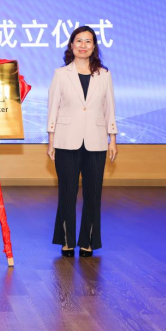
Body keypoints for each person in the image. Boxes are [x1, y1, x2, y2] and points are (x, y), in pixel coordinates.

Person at [47, 26, 118, 258]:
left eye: (88, 41)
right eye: (79, 41)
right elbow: (53, 108)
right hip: (66, 140)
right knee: (67, 193)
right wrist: (51, 140)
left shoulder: (104, 75)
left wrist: (112, 138)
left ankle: (88, 241)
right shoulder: (61, 74)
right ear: (71, 45)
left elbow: (109, 108)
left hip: (96, 141)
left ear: (94, 46)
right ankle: (67, 241)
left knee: (93, 194)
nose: (83, 45)